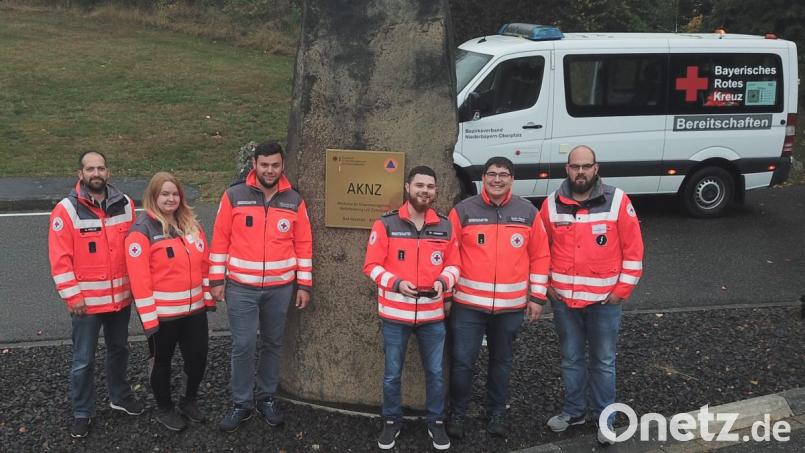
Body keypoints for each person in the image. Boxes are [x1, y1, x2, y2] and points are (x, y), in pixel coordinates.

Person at [540, 145, 644, 445]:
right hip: (565, 302)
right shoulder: (551, 205)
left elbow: (634, 251)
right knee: (571, 360)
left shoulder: (617, 201)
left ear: (596, 168)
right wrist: (548, 287)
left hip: (604, 303)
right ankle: (574, 411)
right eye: (575, 167)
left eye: (586, 166)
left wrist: (620, 292)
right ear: (567, 169)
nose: (581, 172)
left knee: (603, 362)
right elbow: (540, 250)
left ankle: (604, 418)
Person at [209, 141, 313, 432]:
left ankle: (266, 397)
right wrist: (216, 280)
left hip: (280, 288)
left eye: (275, 165)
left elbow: (303, 244)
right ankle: (241, 403)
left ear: (283, 166)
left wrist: (304, 285)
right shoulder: (234, 195)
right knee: (243, 345)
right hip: (241, 287)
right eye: (264, 165)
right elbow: (220, 239)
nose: (270, 170)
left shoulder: (294, 200)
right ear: (254, 164)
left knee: (272, 343)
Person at [446, 156, 551, 438]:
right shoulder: (463, 211)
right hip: (468, 305)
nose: (497, 179)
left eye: (503, 174)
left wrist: (537, 297)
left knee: (501, 362)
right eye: (491, 174)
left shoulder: (527, 212)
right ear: (483, 178)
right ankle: (458, 413)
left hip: (510, 307)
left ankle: (496, 412)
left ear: (512, 179)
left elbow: (540, 256)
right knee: (462, 362)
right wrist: (446, 296)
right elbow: (448, 254)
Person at [48, 151, 144, 438]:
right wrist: (72, 296)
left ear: (108, 172)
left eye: (101, 168)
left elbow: (134, 248)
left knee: (120, 350)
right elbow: (60, 259)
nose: (96, 173)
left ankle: (119, 396)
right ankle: (82, 411)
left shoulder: (125, 204)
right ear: (80, 174)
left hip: (120, 299)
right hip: (86, 304)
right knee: (83, 360)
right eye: (90, 169)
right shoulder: (66, 210)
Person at [363, 166, 460, 450]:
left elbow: (455, 264)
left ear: (435, 191)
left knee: (436, 373)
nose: (424, 191)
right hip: (395, 315)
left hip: (432, 316)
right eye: (419, 185)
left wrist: (444, 281)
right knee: (392, 374)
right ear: (407, 187)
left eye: (430, 186)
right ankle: (391, 421)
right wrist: (396, 283)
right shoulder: (386, 224)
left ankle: (436, 421)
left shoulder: (445, 226)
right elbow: (371, 265)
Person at [125, 172, 215, 431]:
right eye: (164, 194)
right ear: (153, 196)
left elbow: (205, 264)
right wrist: (149, 320)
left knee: (198, 358)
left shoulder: (191, 225)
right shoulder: (141, 231)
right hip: (162, 315)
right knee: (161, 362)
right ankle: (164, 408)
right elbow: (139, 281)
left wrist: (208, 298)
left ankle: (188, 400)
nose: (170, 199)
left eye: (175, 194)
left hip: (194, 311)